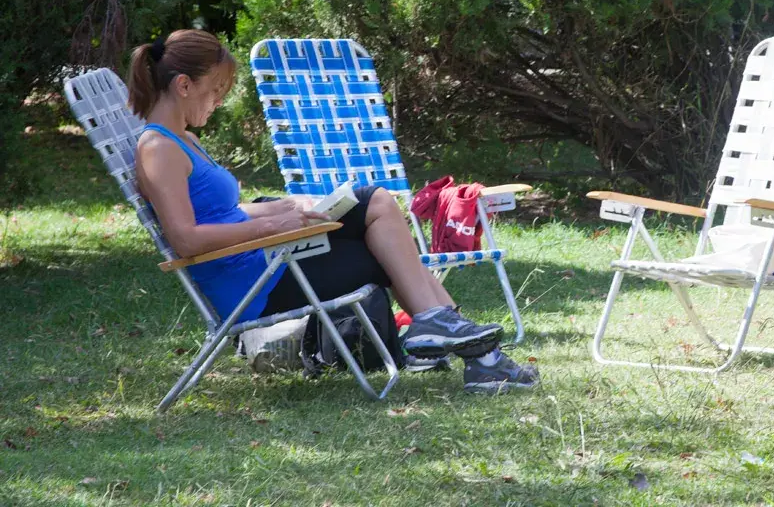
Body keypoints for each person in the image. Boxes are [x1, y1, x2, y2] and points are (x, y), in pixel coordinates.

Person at [129, 29, 538, 393]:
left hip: (268, 260)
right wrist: (275, 223)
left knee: (376, 201)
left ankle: (442, 327)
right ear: (183, 85)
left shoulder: (184, 140)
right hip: (254, 286)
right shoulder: (159, 149)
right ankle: (477, 354)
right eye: (216, 89)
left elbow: (222, 212)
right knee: (380, 252)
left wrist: (290, 207)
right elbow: (186, 239)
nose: (219, 100)